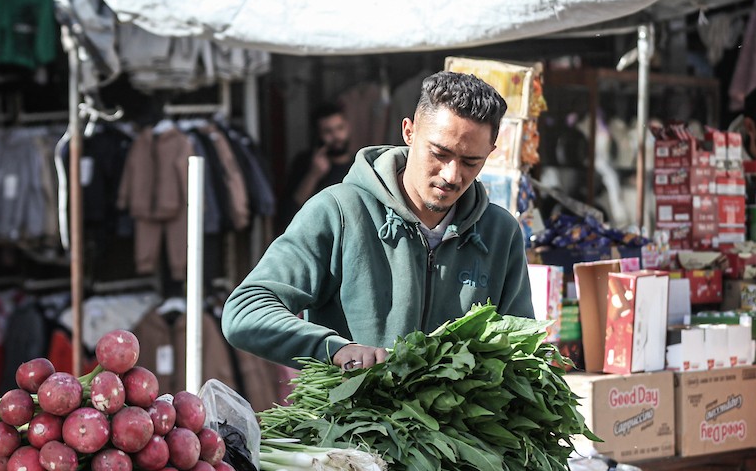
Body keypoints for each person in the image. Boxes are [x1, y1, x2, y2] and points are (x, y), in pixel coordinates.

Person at [222, 71, 534, 371]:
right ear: (409, 132)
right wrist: (334, 349)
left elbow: (520, 350)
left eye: (470, 161)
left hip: (458, 427)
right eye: (440, 153)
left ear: (490, 153)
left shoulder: (500, 233)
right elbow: (246, 310)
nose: (452, 175)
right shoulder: (338, 212)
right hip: (353, 423)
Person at [277, 101, 355, 234]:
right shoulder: (305, 163)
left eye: (339, 128)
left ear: (347, 128)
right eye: (328, 132)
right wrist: (313, 175)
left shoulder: (359, 164)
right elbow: (288, 214)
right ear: (318, 134)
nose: (336, 136)